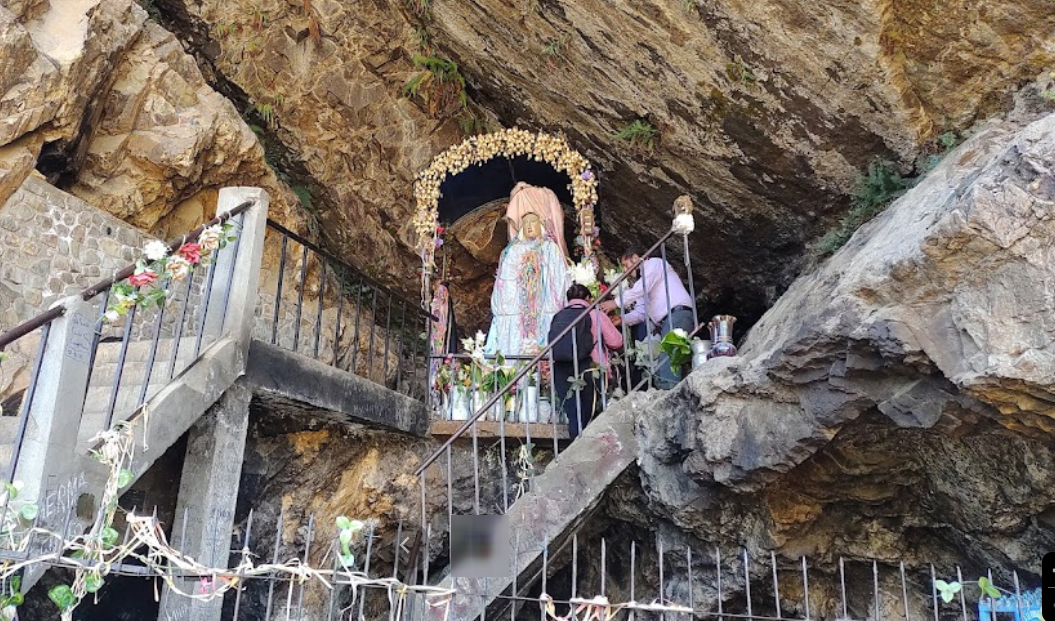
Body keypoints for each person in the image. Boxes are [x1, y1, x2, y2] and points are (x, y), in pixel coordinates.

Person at [600, 245, 694, 389]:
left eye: (626, 265)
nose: (625, 271)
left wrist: (615, 303)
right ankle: (668, 393)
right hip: (668, 320)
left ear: (636, 258)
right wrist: (622, 320)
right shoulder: (647, 281)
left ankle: (669, 395)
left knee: (668, 357)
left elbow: (641, 288)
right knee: (665, 359)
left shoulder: (654, 264)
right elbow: (642, 313)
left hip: (677, 314)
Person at [484, 209, 568, 356]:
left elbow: (558, 277)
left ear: (541, 225)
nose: (529, 225)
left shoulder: (550, 248)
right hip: (519, 305)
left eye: (533, 222)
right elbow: (506, 280)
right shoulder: (514, 250)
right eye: (525, 223)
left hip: (544, 304)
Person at [552, 284, 623, 440]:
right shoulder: (594, 314)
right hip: (591, 368)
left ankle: (575, 449)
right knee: (592, 414)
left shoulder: (559, 316)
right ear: (588, 299)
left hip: (562, 370)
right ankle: (588, 453)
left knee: (574, 414)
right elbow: (616, 341)